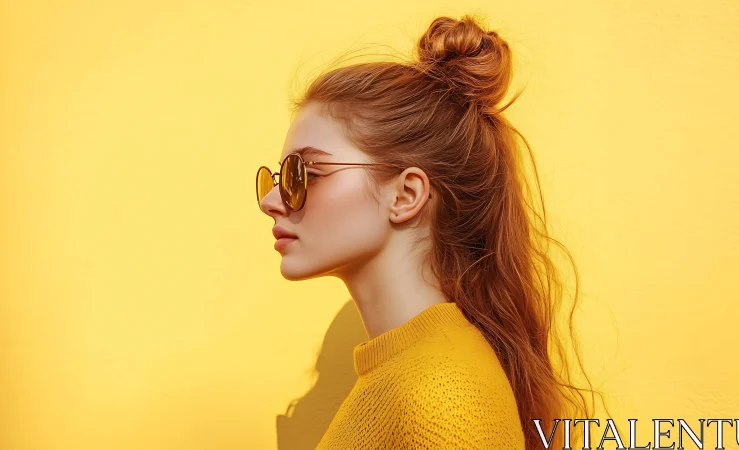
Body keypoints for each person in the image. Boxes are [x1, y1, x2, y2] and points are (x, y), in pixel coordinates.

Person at [257, 14, 603, 450]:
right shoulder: (406, 376)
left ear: (405, 195)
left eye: (303, 173)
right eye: (274, 179)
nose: (271, 201)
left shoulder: (440, 396)